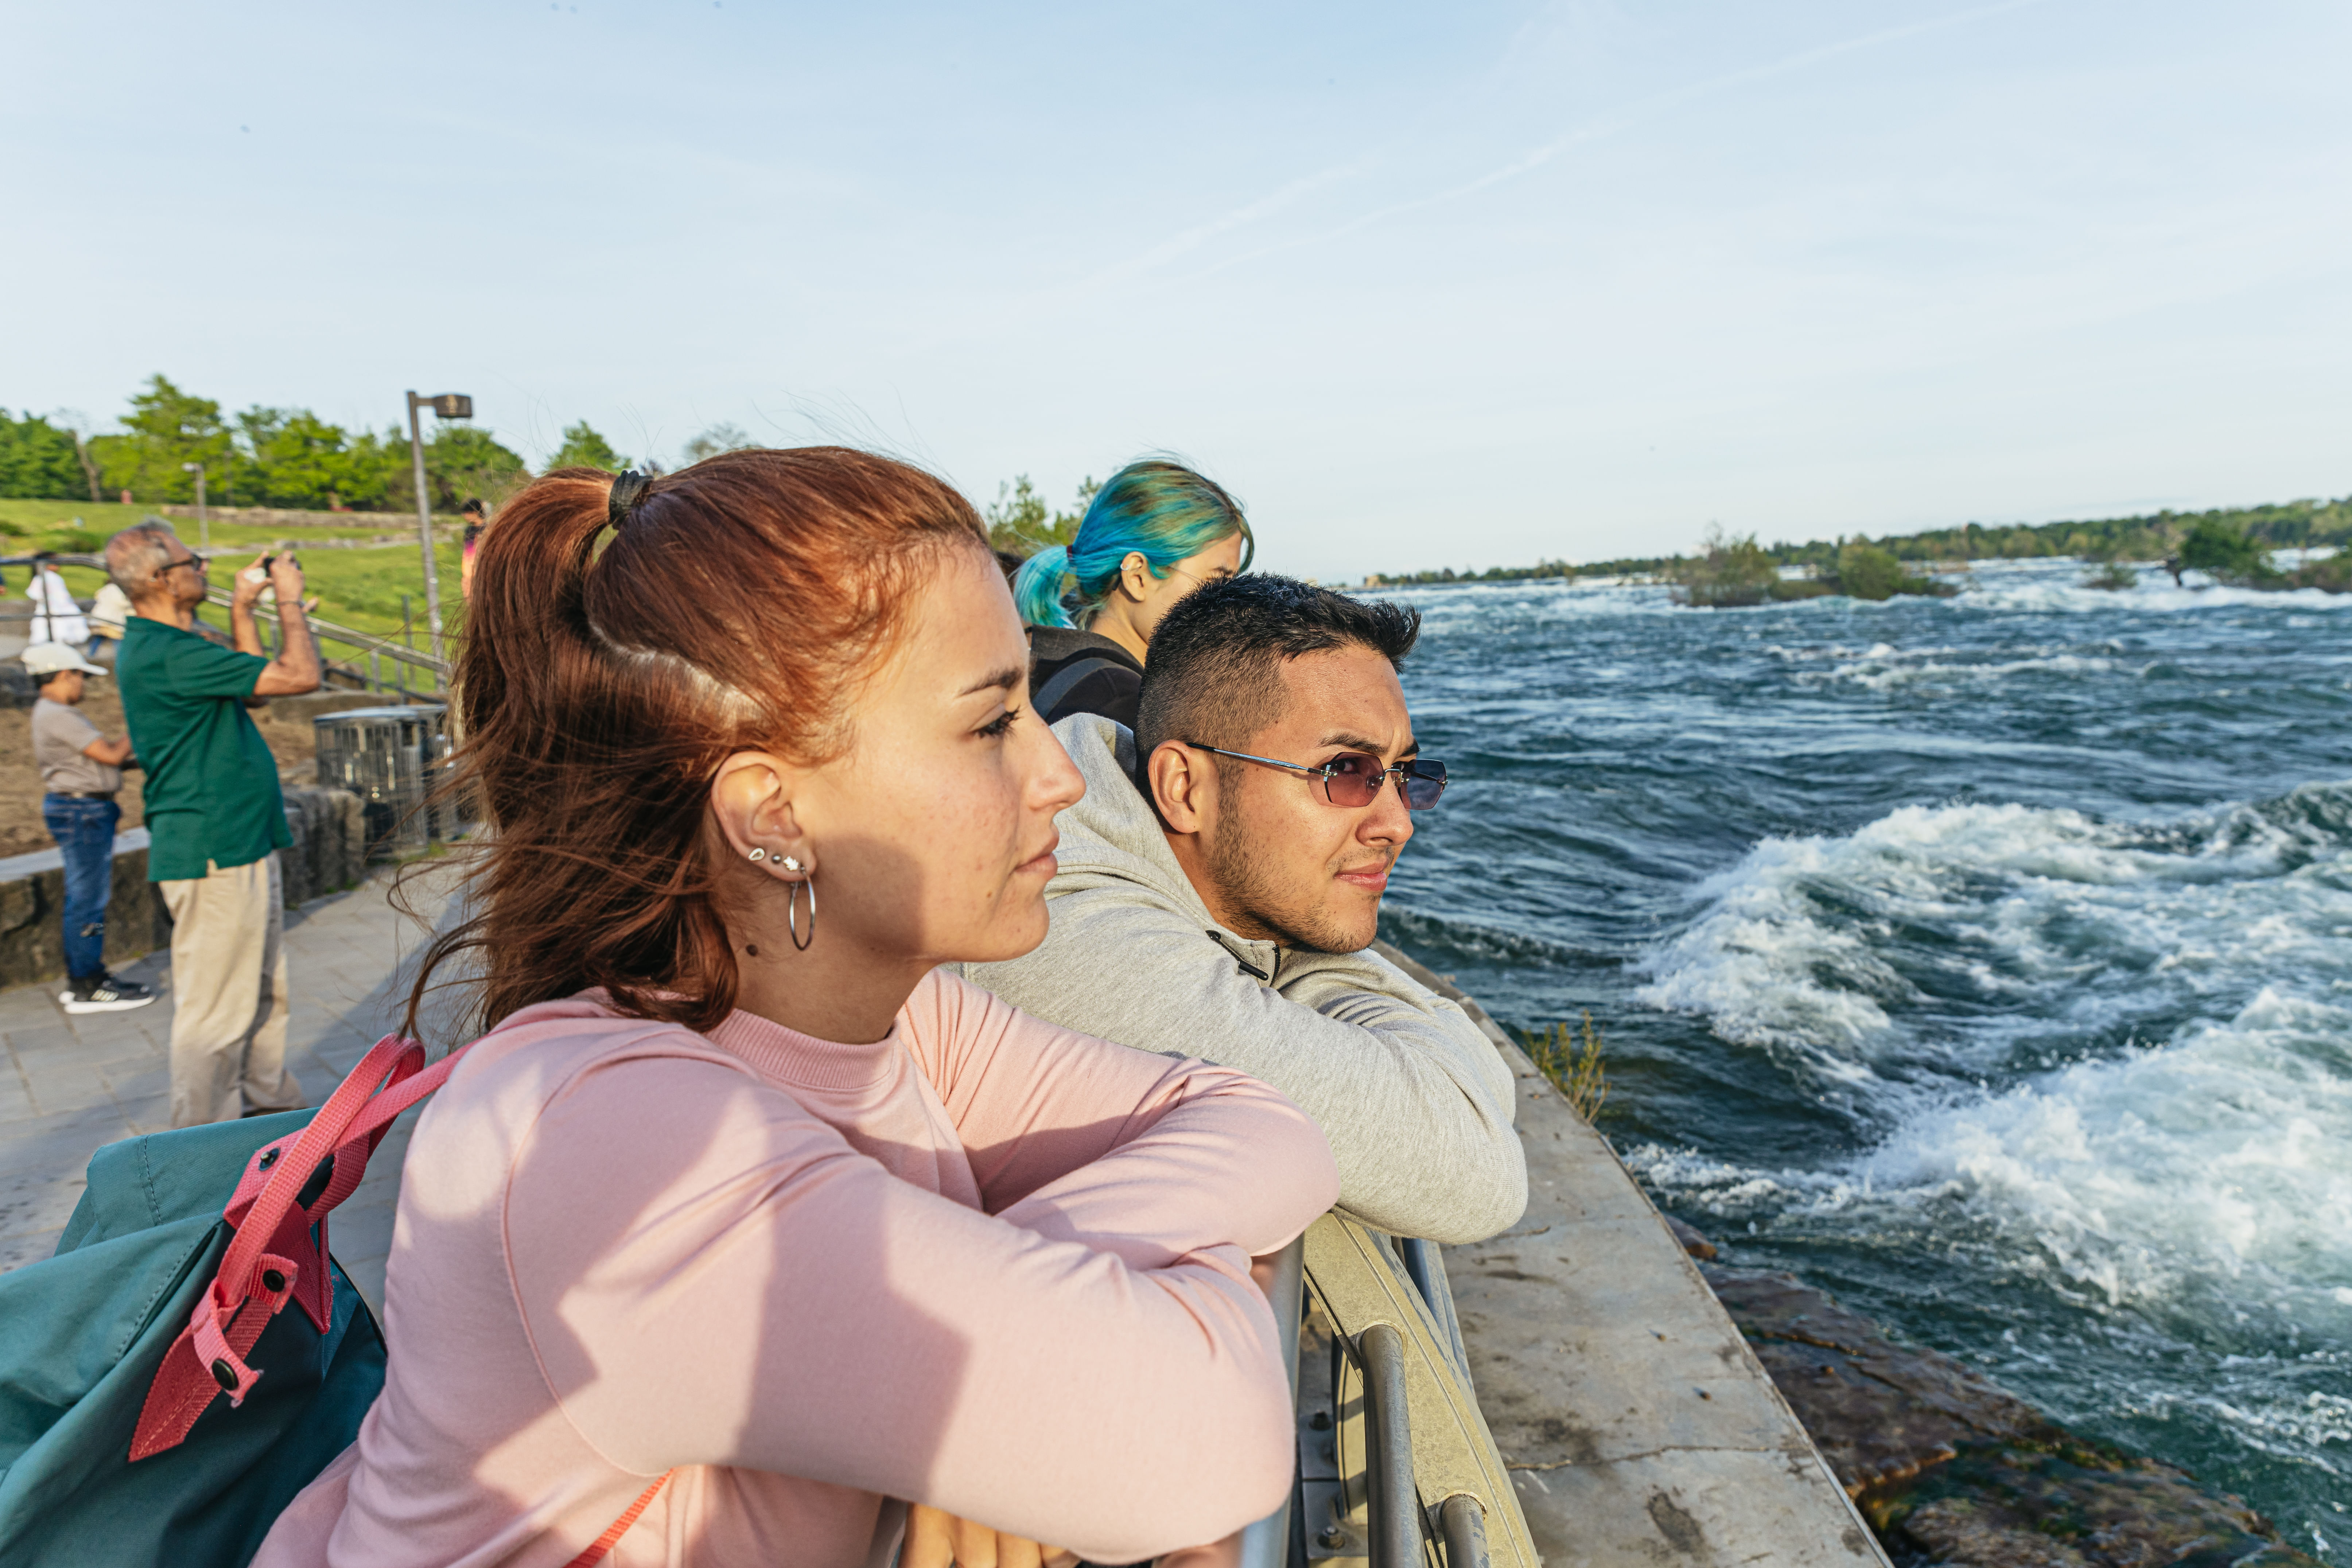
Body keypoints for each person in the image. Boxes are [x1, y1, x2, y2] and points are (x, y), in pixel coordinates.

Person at [254, 451, 1336, 1568]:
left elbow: (1265, 1121)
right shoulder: (612, 1141)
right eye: (989, 723)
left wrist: (1037, 1280)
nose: (1057, 774)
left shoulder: (901, 1020)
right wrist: (1085, 1317)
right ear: (771, 813)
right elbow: (1207, 1433)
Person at [964, 574, 1525, 1245]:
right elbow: (1476, 1174)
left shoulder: (1211, 879)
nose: (1398, 824)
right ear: (1184, 788)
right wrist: (1318, 978)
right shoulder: (1058, 921)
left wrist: (1300, 962)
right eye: (1345, 772)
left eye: (1404, 775)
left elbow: (1489, 1091)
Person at [105, 523, 321, 1127]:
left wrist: (243, 609)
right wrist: (287, 601)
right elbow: (299, 676)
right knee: (215, 1016)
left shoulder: (173, 645)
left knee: (261, 993)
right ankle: (199, 1148)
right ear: (161, 579)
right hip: (213, 846)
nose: (201, 567)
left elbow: (253, 691)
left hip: (237, 839)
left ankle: (272, 1114)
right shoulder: (168, 653)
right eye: (191, 561)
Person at [1012, 460, 1253, 729]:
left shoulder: (1056, 673)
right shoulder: (1119, 705)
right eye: (1217, 582)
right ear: (1137, 577)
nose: (1230, 602)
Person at [24, 642, 153, 1013]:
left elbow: (101, 762)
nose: (84, 684)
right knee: (88, 902)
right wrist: (142, 719)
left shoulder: (52, 712)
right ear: (66, 674)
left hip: (81, 809)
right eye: (82, 676)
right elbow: (110, 754)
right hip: (82, 812)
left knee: (85, 899)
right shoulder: (59, 714)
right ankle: (88, 983)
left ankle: (83, 977)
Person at [26, 552, 92, 652]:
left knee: (52, 638)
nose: (58, 564)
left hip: (56, 610)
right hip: (57, 610)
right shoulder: (48, 577)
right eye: (55, 562)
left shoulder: (45, 577)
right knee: (58, 636)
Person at [85, 579, 132, 668]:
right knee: (117, 640)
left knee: (98, 638)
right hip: (111, 620)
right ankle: (121, 660)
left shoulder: (106, 589)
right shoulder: (116, 590)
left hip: (100, 618)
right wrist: (130, 602)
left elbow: (97, 596)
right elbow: (121, 603)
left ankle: (91, 656)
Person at [457, 497, 488, 599]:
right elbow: (467, 552)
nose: (465, 516)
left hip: (481, 573)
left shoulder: (487, 530)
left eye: (467, 513)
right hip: (468, 573)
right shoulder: (469, 530)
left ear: (475, 513)